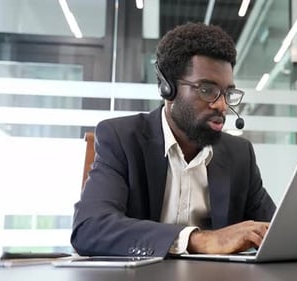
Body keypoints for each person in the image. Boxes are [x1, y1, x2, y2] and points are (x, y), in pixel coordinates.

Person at [71, 23, 276, 257]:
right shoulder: (122, 139)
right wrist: (197, 240)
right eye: (207, 90)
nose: (221, 105)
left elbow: (277, 231)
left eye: (227, 93)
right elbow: (89, 227)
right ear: (168, 89)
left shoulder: (240, 155)